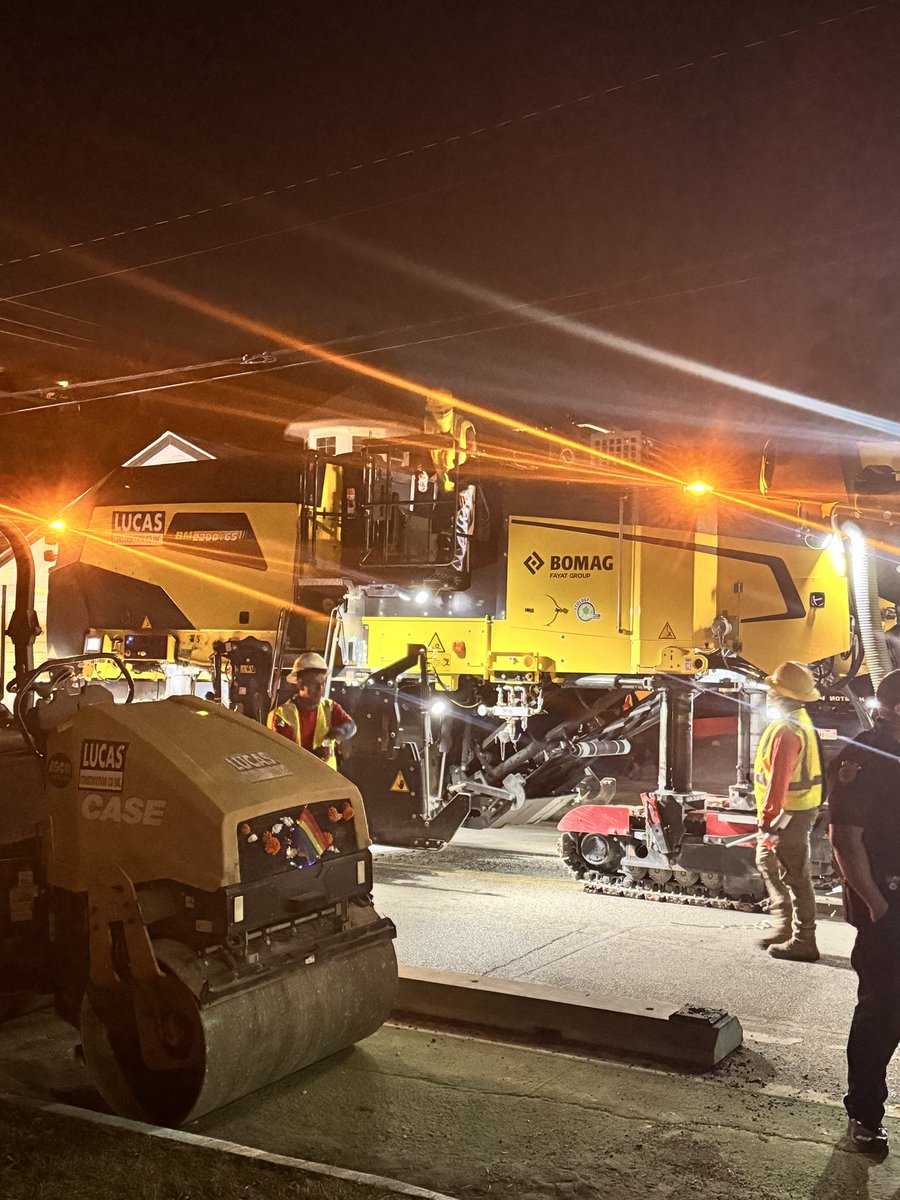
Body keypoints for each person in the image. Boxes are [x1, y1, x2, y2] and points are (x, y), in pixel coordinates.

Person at [829, 668, 900, 1154]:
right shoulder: (865, 757)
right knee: (881, 1015)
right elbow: (844, 839)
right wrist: (877, 905)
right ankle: (866, 1115)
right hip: (890, 911)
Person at [754, 660, 824, 962]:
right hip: (798, 810)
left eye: (774, 688)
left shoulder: (786, 731)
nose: (769, 692)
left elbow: (778, 783)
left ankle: (803, 939)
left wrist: (768, 822)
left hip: (788, 814)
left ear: (785, 696)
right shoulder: (799, 719)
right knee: (769, 861)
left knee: (794, 873)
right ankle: (785, 927)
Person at [267, 652, 356, 768]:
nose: (320, 689)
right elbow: (281, 755)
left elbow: (350, 726)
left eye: (323, 683)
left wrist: (340, 732)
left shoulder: (329, 707)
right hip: (297, 782)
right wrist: (314, 756)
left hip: (327, 781)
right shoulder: (281, 715)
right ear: (300, 684)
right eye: (314, 684)